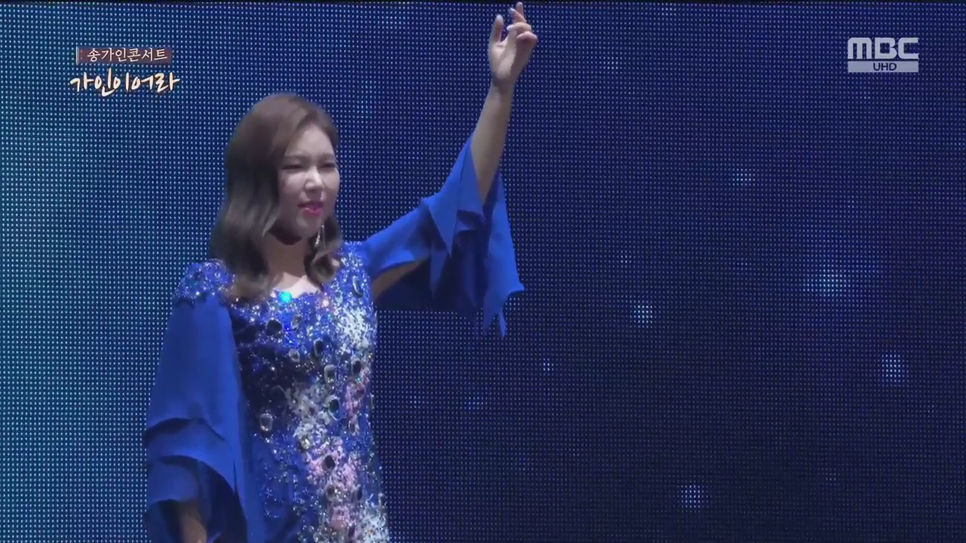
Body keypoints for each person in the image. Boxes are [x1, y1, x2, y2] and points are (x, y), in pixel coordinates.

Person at [142, 4, 536, 543]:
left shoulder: (353, 271)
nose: (316, 182)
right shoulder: (215, 291)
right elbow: (186, 455)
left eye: (327, 165)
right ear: (259, 178)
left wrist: (500, 91)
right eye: (295, 166)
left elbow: (454, 207)